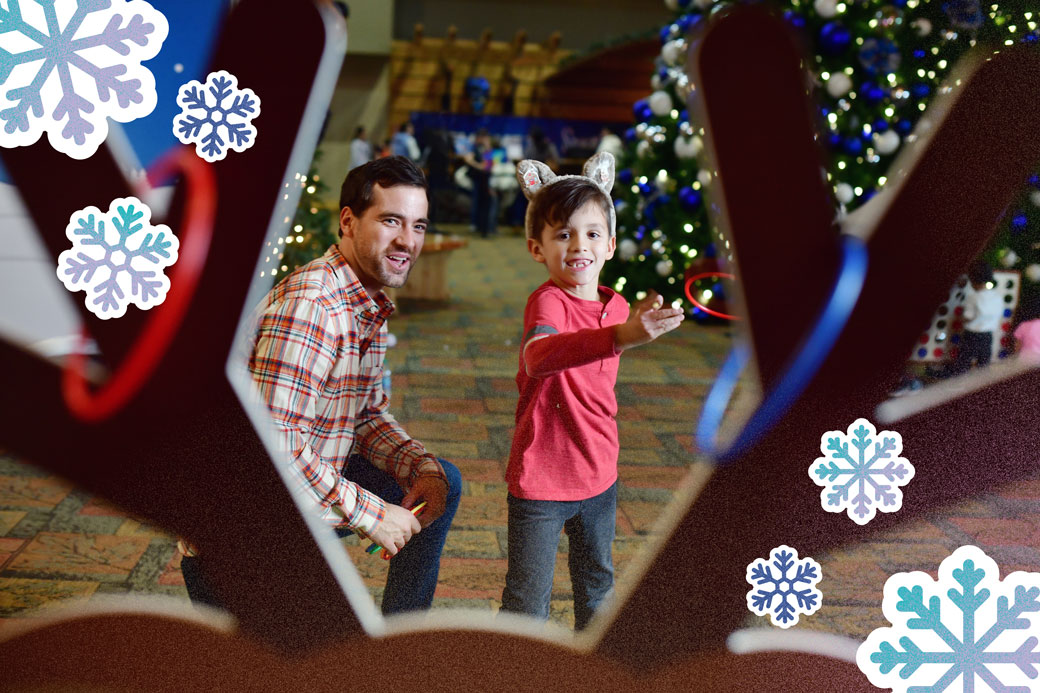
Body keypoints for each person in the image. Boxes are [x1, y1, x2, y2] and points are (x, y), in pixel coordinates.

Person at [180, 156, 462, 615]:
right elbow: (275, 451)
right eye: (391, 221)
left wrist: (421, 468)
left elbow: (365, 416)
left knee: (442, 480)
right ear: (348, 222)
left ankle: (400, 647)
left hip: (296, 496)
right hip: (245, 534)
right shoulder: (312, 309)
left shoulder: (364, 299)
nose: (407, 241)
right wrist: (373, 515)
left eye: (418, 226)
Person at [499, 153, 685, 630]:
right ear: (536, 248)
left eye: (591, 232)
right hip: (542, 480)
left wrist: (630, 326)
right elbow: (539, 356)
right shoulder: (548, 301)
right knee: (526, 603)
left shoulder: (617, 306)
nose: (578, 244)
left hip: (600, 473)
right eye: (563, 234)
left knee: (599, 590)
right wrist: (621, 337)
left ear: (610, 244)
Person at [950, 261, 1003, 374]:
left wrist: (959, 318)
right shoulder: (996, 296)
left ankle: (957, 385)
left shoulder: (973, 297)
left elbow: (968, 316)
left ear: (972, 280)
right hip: (987, 336)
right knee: (983, 364)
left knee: (963, 361)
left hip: (972, 335)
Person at [461, 129, 496, 237]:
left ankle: (486, 227)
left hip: (487, 181)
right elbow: (485, 166)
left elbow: (487, 166)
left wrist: (473, 162)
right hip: (480, 180)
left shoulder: (488, 150)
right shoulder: (477, 148)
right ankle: (479, 226)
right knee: (479, 203)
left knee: (485, 204)